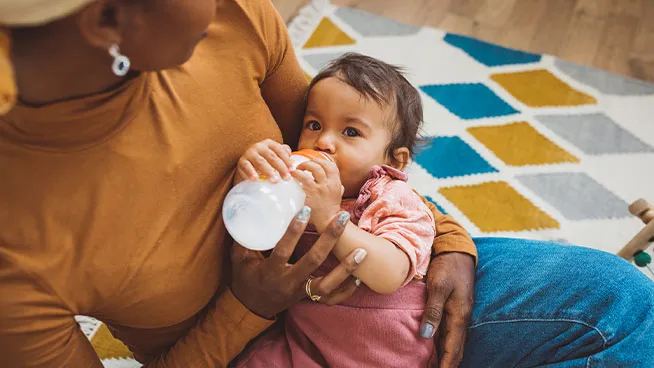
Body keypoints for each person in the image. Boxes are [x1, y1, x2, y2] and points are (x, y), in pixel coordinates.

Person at [0, 1, 652, 367]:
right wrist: (247, 307)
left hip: (375, 293)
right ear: (109, 20)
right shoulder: (15, 247)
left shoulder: (226, 22)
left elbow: (345, 145)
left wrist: (445, 237)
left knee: (619, 302)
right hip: (264, 354)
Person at [234, 53, 451, 366]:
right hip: (308, 343)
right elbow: (261, 240)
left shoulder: (392, 196)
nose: (323, 141)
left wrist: (329, 219)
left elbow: (390, 273)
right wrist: (254, 180)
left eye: (350, 132)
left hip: (385, 352)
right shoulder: (295, 189)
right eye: (314, 124)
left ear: (394, 160)